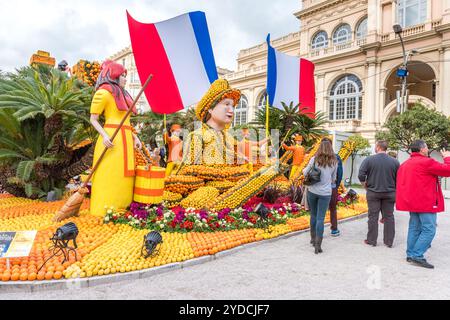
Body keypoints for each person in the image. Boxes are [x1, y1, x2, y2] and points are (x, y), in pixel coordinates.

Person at [89, 60, 143, 217]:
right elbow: (93, 119)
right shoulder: (103, 93)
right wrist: (104, 135)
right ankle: (104, 209)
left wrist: (134, 137)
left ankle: (123, 207)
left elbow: (125, 122)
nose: (125, 79)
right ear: (114, 76)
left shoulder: (125, 96)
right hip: (112, 139)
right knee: (109, 174)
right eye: (123, 76)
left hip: (125, 138)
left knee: (125, 175)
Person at [396, 140, 450, 269]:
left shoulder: (405, 164)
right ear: (422, 149)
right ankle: (417, 255)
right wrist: (447, 157)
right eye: (426, 147)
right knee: (429, 229)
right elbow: (448, 170)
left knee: (414, 228)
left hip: (413, 203)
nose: (427, 149)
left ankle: (410, 254)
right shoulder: (426, 162)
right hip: (425, 202)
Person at [358, 140, 399, 248]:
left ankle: (371, 240)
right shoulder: (394, 161)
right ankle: (389, 242)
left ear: (377, 147)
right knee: (389, 217)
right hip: (390, 193)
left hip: (373, 192)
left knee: (373, 216)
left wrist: (364, 185)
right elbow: (399, 178)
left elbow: (361, 175)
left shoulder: (369, 160)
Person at [303, 139, 338, 254]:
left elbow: (305, 172)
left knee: (313, 215)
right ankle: (318, 244)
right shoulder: (334, 161)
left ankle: (313, 239)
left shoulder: (314, 159)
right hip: (326, 193)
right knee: (320, 219)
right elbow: (333, 179)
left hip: (313, 191)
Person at [321, 138, 343, 237]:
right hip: (332, 186)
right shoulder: (336, 157)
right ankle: (334, 229)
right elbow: (340, 173)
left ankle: (318, 230)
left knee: (319, 209)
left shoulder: (316, 157)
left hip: (319, 188)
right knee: (333, 208)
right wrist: (336, 185)